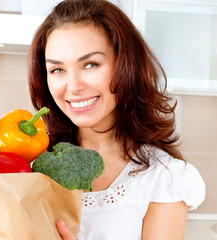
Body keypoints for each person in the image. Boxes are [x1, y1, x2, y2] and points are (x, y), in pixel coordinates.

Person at [27, 0, 206, 239]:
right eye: (57, 70)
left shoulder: (163, 177)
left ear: (126, 66)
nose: (73, 86)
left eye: (90, 64)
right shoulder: (28, 164)